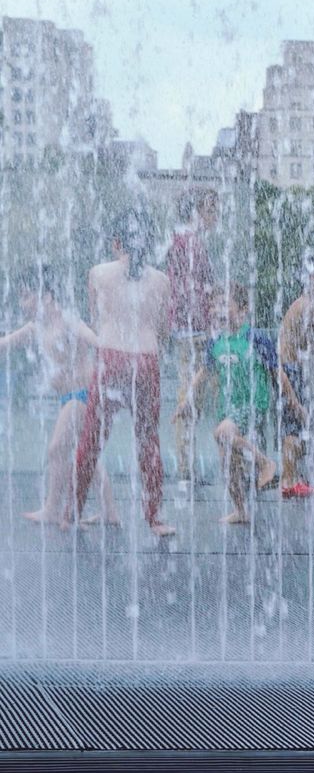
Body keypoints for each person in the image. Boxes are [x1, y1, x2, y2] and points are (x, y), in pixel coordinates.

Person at [69, 208, 174, 536]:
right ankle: (155, 517)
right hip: (146, 359)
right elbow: (162, 330)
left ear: (116, 242)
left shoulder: (98, 273)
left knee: (92, 439)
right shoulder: (162, 280)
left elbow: (96, 319)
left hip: (111, 357)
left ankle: (71, 510)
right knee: (149, 441)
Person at [0, 266, 117, 526]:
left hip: (83, 395)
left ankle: (53, 509)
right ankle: (111, 513)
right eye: (22, 297)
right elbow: (4, 343)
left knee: (56, 450)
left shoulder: (68, 320)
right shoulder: (36, 326)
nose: (23, 303)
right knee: (86, 456)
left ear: (48, 297)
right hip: (70, 398)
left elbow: (98, 342)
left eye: (28, 296)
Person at [177, 283, 281, 524]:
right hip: (228, 407)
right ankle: (242, 511)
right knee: (228, 462)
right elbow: (204, 374)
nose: (217, 309)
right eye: (214, 304)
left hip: (252, 404)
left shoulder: (255, 338)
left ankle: (266, 462)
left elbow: (278, 372)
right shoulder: (217, 342)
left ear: (243, 310)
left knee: (223, 433)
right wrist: (188, 401)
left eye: (224, 304)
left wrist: (293, 404)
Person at [167, 188, 219, 487]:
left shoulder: (182, 240)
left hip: (190, 329)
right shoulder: (189, 242)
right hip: (193, 331)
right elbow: (190, 290)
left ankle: (190, 462)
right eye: (212, 210)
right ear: (198, 211)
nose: (216, 217)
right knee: (189, 395)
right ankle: (186, 467)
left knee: (193, 394)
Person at [277, 261, 314, 498]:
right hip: (289, 369)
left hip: (288, 366)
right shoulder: (310, 306)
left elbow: (304, 343)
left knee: (293, 424)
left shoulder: (300, 305)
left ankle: (290, 479)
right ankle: (289, 481)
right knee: (294, 425)